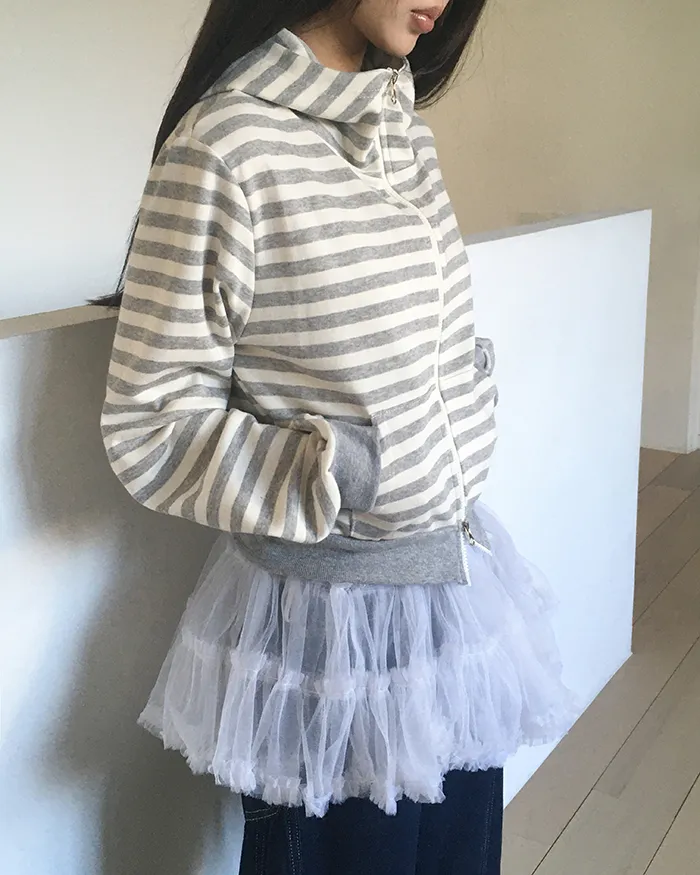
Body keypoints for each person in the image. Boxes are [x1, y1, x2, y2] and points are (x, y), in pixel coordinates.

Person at [92, 1, 578, 872]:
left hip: (454, 590)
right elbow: (149, 422)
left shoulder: (403, 126)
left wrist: (464, 394)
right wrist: (340, 472)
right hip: (329, 630)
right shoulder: (225, 146)